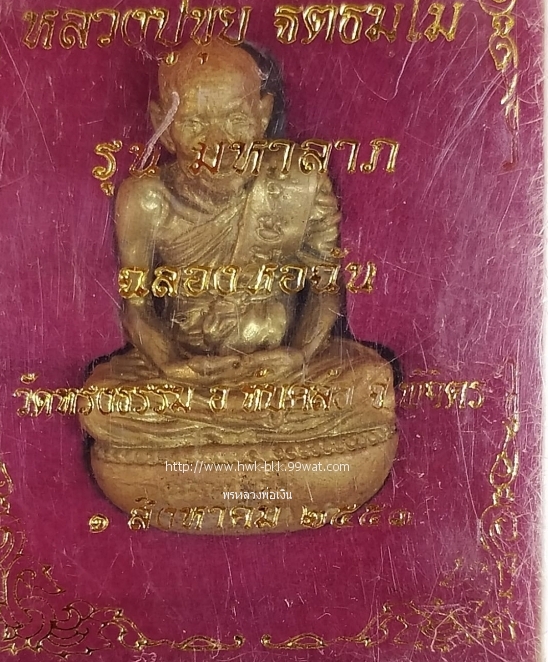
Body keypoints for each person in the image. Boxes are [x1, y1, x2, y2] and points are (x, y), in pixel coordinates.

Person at [81, 40, 397, 532]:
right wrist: (171, 364)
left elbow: (325, 287)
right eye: (193, 122)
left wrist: (299, 355)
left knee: (370, 385)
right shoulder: (146, 199)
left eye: (234, 118)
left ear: (263, 113)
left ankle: (203, 464)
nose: (217, 143)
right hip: (188, 375)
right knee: (104, 404)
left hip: (284, 372)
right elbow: (136, 307)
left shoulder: (298, 180)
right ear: (161, 120)